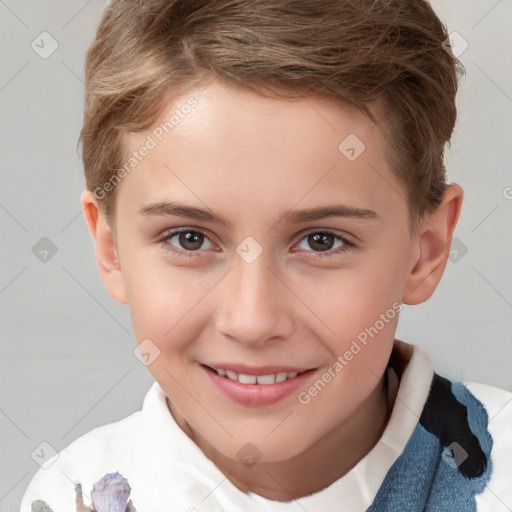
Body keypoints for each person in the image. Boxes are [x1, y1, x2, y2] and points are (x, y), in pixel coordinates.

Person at [20, 0, 512, 511]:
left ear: (424, 253)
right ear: (111, 249)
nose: (252, 321)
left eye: (322, 241)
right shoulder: (66, 493)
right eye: (189, 238)